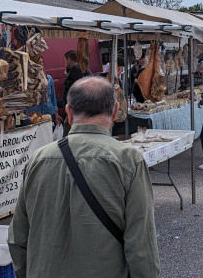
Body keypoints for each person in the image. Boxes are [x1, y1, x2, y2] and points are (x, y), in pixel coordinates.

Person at [9, 77, 160, 278]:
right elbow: (141, 245)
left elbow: (18, 238)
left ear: (69, 113)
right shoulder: (128, 161)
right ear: (115, 111)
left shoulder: (39, 159)